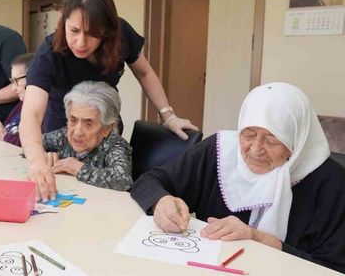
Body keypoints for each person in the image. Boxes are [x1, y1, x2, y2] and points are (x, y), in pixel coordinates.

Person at [130, 82, 345, 273]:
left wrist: (258, 237)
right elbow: (150, 180)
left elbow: (333, 267)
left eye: (272, 140)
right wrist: (161, 201)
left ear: (297, 141)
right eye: (248, 134)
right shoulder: (220, 151)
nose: (255, 150)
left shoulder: (331, 183)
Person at [20, 0, 197, 200]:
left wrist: (168, 116)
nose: (81, 42)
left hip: (101, 127)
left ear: (107, 30)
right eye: (74, 31)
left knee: (101, 196)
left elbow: (145, 74)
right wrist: (37, 159)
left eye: (93, 34)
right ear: (63, 22)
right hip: (62, 125)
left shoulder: (121, 36)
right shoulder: (49, 53)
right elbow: (31, 114)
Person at [43, 81, 132, 191]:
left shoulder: (115, 145)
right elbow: (32, 143)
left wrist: (78, 168)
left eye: (88, 123)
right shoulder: (65, 135)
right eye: (73, 120)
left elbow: (123, 181)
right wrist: (42, 155)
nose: (77, 132)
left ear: (106, 128)